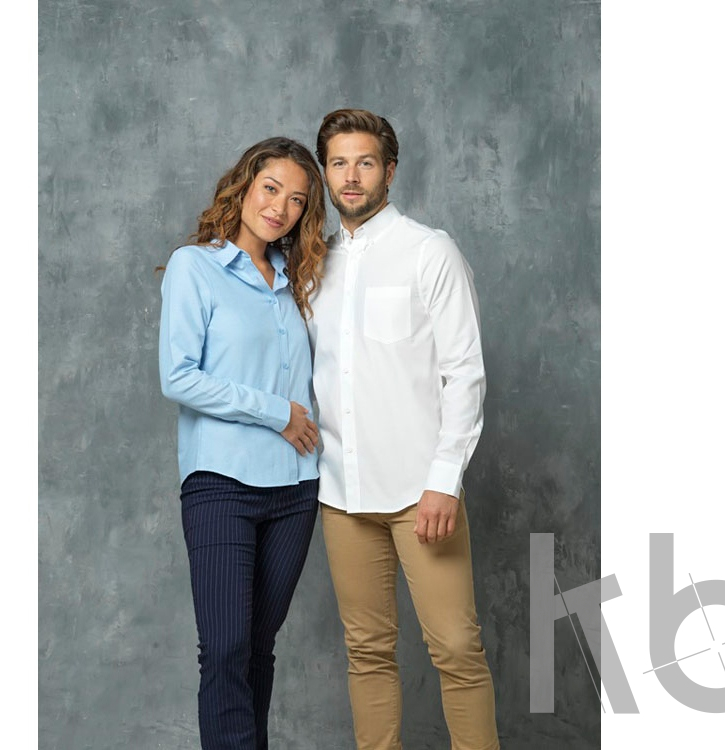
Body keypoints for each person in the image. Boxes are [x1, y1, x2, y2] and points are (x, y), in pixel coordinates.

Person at [307, 109, 501, 750]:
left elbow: (464, 373)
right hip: (341, 493)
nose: (351, 177)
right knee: (366, 650)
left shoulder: (429, 251)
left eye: (365, 162)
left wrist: (445, 481)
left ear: (389, 171)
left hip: (422, 493)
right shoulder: (314, 263)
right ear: (325, 172)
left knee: (456, 648)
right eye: (338, 163)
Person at [159, 137, 326, 750]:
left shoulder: (298, 282)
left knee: (258, 647)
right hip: (222, 484)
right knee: (226, 648)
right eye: (271, 189)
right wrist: (276, 413)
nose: (280, 208)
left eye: (297, 200)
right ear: (244, 186)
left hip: (296, 489)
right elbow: (178, 377)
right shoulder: (195, 266)